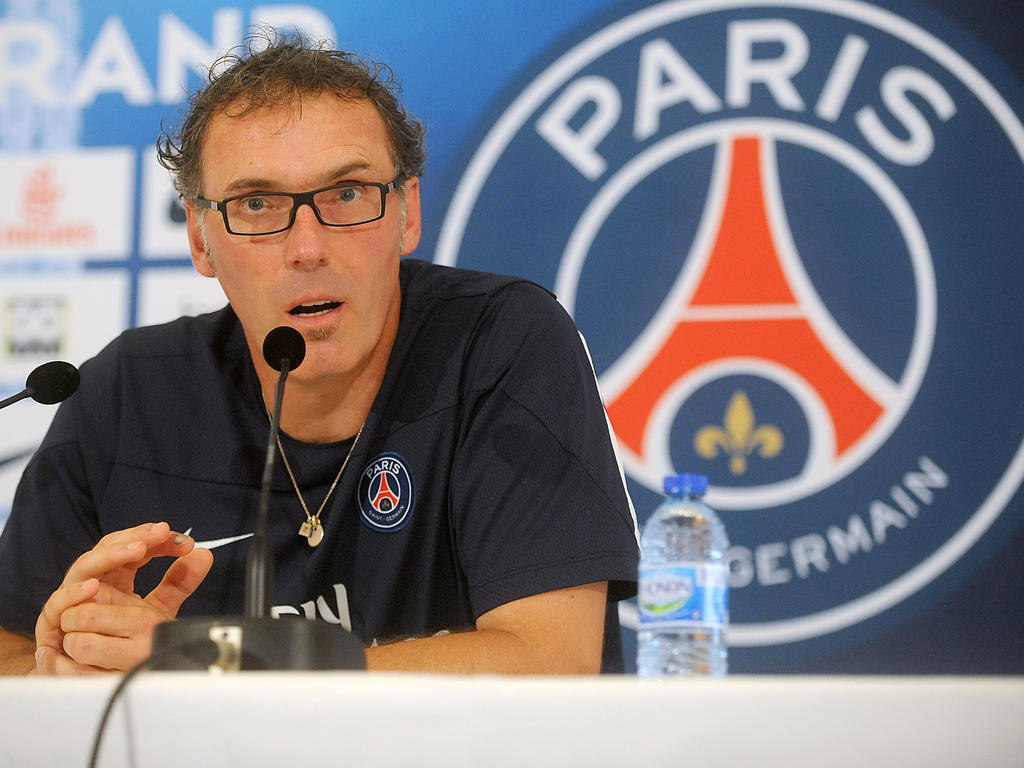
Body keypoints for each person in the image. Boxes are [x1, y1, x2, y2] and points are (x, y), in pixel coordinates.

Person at [0, 31, 639, 675]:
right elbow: (11, 653)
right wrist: (59, 670)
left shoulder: (501, 342)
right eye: (256, 204)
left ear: (407, 212)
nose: (308, 248)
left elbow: (552, 660)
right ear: (200, 239)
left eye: (348, 194)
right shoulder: (128, 393)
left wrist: (218, 665)